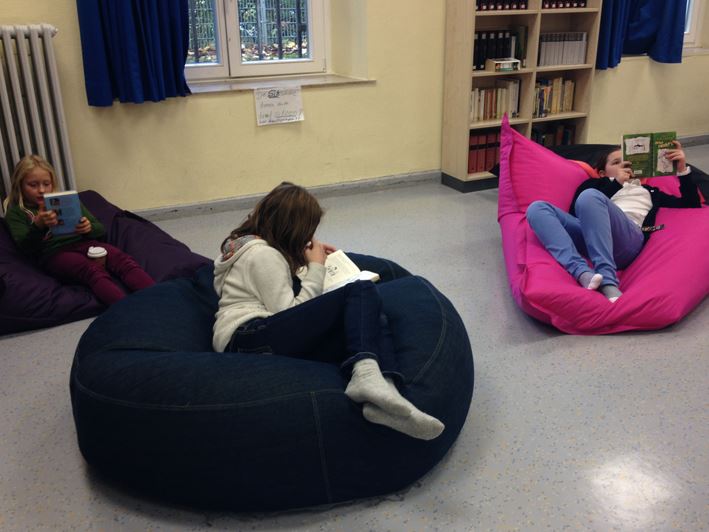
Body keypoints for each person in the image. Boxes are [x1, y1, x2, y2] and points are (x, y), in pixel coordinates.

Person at [212, 182, 444, 440]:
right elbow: (287, 312)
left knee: (365, 321)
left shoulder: (249, 248)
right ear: (295, 230)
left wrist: (311, 261)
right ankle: (369, 379)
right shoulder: (262, 256)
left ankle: (383, 391)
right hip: (248, 336)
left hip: (258, 338)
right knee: (361, 290)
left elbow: (273, 290)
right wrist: (316, 268)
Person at [526, 141, 702, 302]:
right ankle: (582, 273)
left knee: (590, 197)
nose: (623, 166)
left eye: (627, 163)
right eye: (616, 163)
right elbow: (577, 212)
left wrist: (682, 169)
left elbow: (691, 203)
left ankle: (608, 281)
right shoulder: (594, 185)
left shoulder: (649, 191)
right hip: (590, 235)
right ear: (602, 173)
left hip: (627, 239)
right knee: (537, 208)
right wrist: (616, 183)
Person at [5, 155, 155, 305]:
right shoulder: (17, 213)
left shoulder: (66, 201)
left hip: (85, 244)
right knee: (92, 270)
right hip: (54, 254)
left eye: (46, 184)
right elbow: (25, 247)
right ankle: (127, 308)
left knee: (121, 259)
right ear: (20, 185)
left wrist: (88, 228)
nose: (42, 190)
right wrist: (38, 226)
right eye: (33, 185)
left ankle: (158, 297)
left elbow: (100, 229)